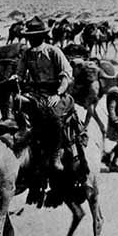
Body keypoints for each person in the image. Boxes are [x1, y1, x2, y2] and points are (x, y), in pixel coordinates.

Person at [10, 17, 77, 202]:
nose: (32, 39)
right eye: (30, 36)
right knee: (16, 105)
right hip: (35, 93)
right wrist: (15, 78)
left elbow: (66, 76)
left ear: (42, 35)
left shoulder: (53, 51)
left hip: (55, 94)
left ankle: (55, 156)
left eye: (35, 36)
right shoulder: (27, 54)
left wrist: (58, 94)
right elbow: (20, 72)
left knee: (52, 114)